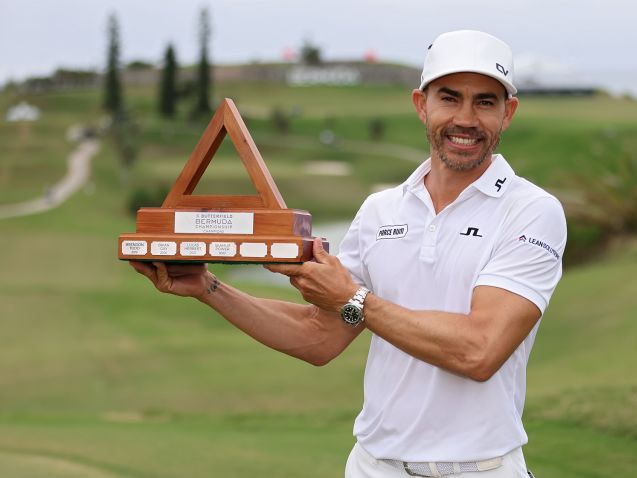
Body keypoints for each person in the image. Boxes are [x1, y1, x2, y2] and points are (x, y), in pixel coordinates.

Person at [131, 30, 566, 478]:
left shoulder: (532, 211)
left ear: (508, 112)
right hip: (373, 466)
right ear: (422, 104)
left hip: (480, 468)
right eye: (450, 98)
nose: (466, 119)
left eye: (486, 102)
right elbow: (320, 337)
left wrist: (352, 299)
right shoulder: (380, 211)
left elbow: (480, 351)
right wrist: (209, 288)